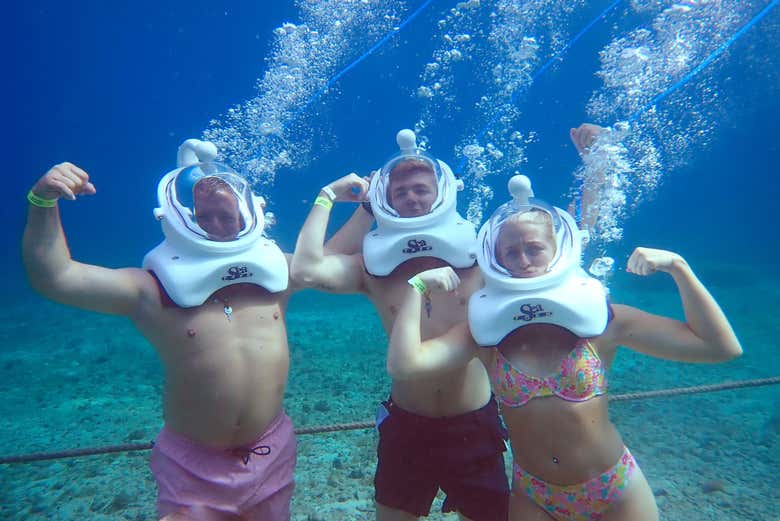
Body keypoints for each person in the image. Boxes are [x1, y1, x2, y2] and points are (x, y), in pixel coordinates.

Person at [386, 175, 742, 521]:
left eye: (535, 248)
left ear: (558, 250)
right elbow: (405, 365)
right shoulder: (484, 333)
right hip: (534, 495)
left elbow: (718, 347)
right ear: (496, 259)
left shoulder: (603, 320)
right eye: (511, 251)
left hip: (613, 489)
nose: (523, 260)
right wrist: (416, 288)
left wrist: (679, 268)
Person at [22, 139, 306, 521]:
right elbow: (55, 277)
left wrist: (359, 206)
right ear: (178, 218)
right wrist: (42, 201)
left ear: (248, 216)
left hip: (271, 450)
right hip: (193, 467)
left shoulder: (277, 276)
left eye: (227, 216)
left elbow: (339, 263)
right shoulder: (151, 289)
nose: (218, 227)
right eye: (204, 217)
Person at [291, 129, 510, 521]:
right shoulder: (375, 270)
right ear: (384, 201)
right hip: (408, 424)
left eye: (421, 189)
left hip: (474, 421)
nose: (411, 197)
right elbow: (306, 271)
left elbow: (551, 254)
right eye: (400, 192)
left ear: (442, 192)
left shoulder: (481, 258)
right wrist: (329, 197)